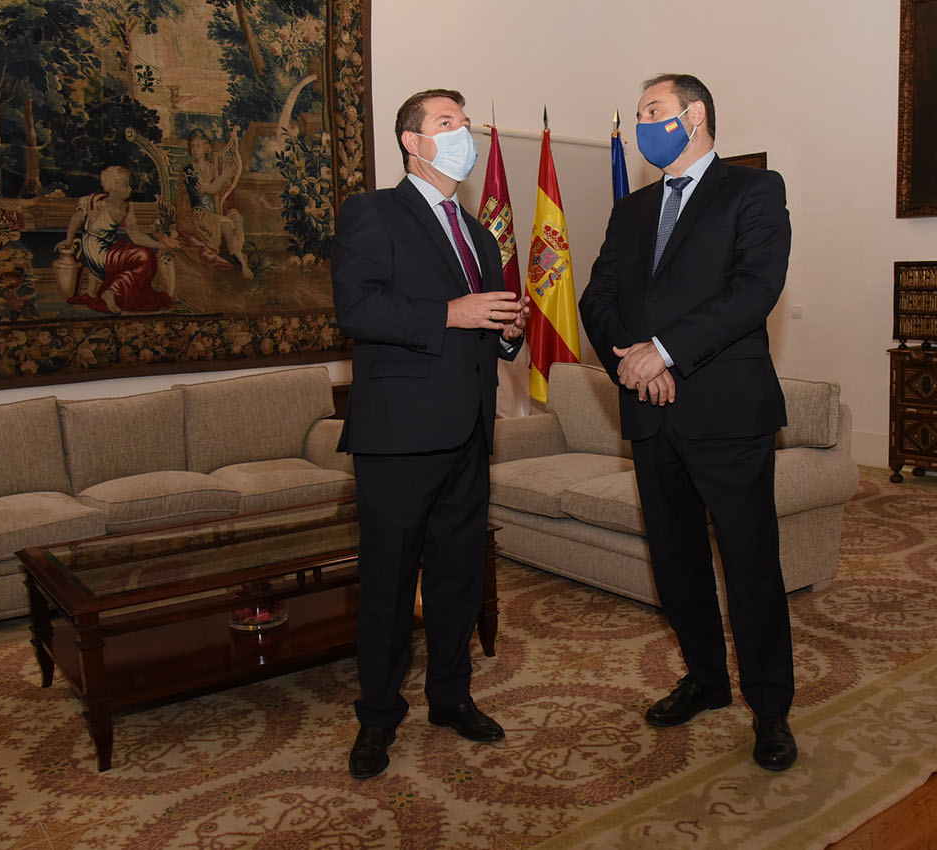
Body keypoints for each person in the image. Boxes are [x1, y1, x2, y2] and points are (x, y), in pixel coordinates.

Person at [579, 74, 797, 771]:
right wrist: (634, 365)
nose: (643, 122)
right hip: (650, 410)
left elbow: (753, 291)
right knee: (674, 563)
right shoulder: (631, 210)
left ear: (693, 116)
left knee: (748, 564)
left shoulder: (753, 192)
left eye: (653, 111)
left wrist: (665, 351)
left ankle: (769, 710)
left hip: (726, 412)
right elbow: (596, 297)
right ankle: (705, 680)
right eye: (643, 112)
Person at [332, 88, 530, 780]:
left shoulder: (479, 233)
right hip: (398, 435)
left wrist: (508, 332)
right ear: (413, 142)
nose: (461, 132)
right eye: (447, 123)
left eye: (463, 122)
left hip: (470, 431)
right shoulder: (372, 212)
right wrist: (450, 312)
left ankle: (451, 698)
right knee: (388, 582)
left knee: (457, 577)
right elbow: (355, 308)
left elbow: (490, 324)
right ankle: (378, 716)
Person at [60, 165, 174, 314]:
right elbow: (76, 219)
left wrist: (160, 245)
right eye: (125, 185)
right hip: (99, 252)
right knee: (145, 257)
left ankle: (105, 292)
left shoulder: (126, 208)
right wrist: (69, 240)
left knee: (145, 255)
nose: (129, 189)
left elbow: (136, 236)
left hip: (109, 249)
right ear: (113, 186)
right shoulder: (93, 200)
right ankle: (112, 292)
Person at [178, 128, 254, 278]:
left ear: (207, 147)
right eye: (192, 146)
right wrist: (225, 175)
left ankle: (237, 251)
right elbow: (210, 190)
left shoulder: (214, 167)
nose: (195, 149)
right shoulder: (189, 170)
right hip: (201, 215)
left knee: (236, 218)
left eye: (199, 145)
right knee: (225, 224)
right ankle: (242, 263)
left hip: (217, 210)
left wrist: (233, 140)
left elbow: (221, 188)